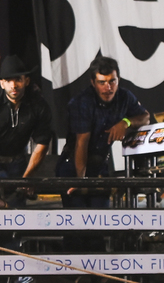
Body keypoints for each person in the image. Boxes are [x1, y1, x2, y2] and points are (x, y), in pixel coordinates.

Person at [54, 56, 150, 208]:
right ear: (93, 83)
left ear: (118, 80)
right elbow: (81, 143)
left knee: (102, 216)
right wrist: (80, 181)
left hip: (99, 165)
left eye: (112, 81)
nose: (108, 87)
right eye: (102, 82)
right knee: (77, 218)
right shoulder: (81, 102)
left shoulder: (124, 97)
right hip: (73, 165)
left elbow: (145, 117)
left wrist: (125, 122)